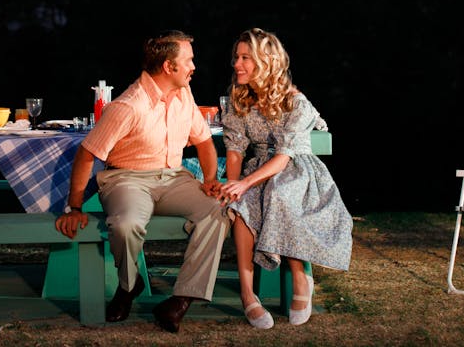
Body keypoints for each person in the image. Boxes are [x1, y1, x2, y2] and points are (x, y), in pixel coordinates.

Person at [55, 30, 230, 333]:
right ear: (168, 67)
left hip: (173, 179)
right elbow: (86, 154)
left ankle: (180, 301)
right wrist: (74, 207)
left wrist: (211, 179)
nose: (193, 66)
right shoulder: (128, 105)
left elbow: (203, 142)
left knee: (219, 209)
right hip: (127, 180)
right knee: (124, 224)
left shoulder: (184, 95)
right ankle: (129, 284)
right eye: (188, 60)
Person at [217, 27, 353, 329]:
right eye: (236, 57)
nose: (237, 64)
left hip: (296, 170)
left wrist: (245, 182)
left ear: (266, 61)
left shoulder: (295, 102)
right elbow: (236, 148)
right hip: (259, 170)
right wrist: (234, 185)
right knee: (242, 207)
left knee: (280, 194)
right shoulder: (240, 98)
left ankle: (301, 278)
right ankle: (247, 295)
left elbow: (285, 156)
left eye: (245, 58)